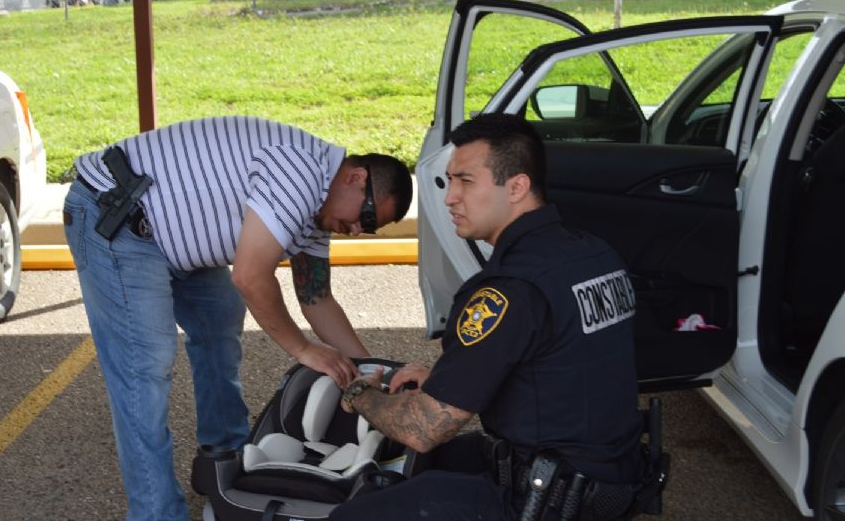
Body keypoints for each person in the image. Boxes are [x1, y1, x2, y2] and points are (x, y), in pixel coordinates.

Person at [62, 115, 413, 521]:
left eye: (368, 230)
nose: (355, 231)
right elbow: (248, 276)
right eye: (365, 218)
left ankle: (224, 461)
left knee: (219, 330)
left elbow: (317, 299)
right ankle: (156, 514)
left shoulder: (318, 212)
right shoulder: (300, 172)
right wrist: (303, 349)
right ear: (355, 177)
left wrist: (375, 372)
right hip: (116, 217)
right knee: (145, 368)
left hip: (167, 234)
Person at [331, 113, 643, 521]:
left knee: (352, 515)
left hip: (549, 501)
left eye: (466, 181)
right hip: (606, 479)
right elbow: (563, 363)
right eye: (450, 181)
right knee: (429, 467)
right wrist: (443, 382)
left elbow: (421, 429)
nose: (449, 198)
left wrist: (360, 394)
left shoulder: (509, 290)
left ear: (517, 187)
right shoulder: (595, 254)